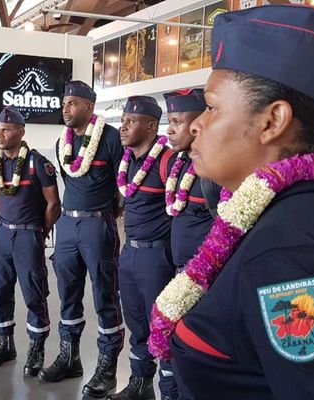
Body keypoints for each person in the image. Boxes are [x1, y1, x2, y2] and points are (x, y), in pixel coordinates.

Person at [147, 6, 314, 400]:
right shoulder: (275, 216)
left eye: (211, 106)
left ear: (272, 121)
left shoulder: (283, 253)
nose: (196, 125)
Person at [39, 80, 124, 399]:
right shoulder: (63, 140)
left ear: (90, 106)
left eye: (73, 102)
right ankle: (69, 357)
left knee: (105, 296)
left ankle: (107, 368)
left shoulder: (112, 138)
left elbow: (124, 183)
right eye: (64, 102)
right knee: (68, 295)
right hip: (67, 227)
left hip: (96, 226)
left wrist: (107, 215)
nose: (66, 108)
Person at [108, 96, 177, 400]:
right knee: (136, 322)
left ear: (151, 126)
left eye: (130, 121)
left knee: (163, 327)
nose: (122, 127)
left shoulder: (167, 161)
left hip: (156, 257)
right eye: (122, 120)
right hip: (129, 252)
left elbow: (179, 214)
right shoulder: (128, 162)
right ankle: (139, 383)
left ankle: (170, 391)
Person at [0, 107, 60, 375]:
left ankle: (36, 349)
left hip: (29, 234)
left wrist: (39, 230)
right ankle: (5, 345)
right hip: (3, 234)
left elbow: (54, 204)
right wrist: (7, 223)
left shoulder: (37, 163)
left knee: (34, 292)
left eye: (5, 129)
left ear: (20, 131)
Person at [163, 89, 220, 273]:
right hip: (180, 269)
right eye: (170, 121)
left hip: (207, 271)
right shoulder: (176, 163)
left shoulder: (215, 169)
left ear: (199, 124)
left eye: (177, 122)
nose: (169, 129)